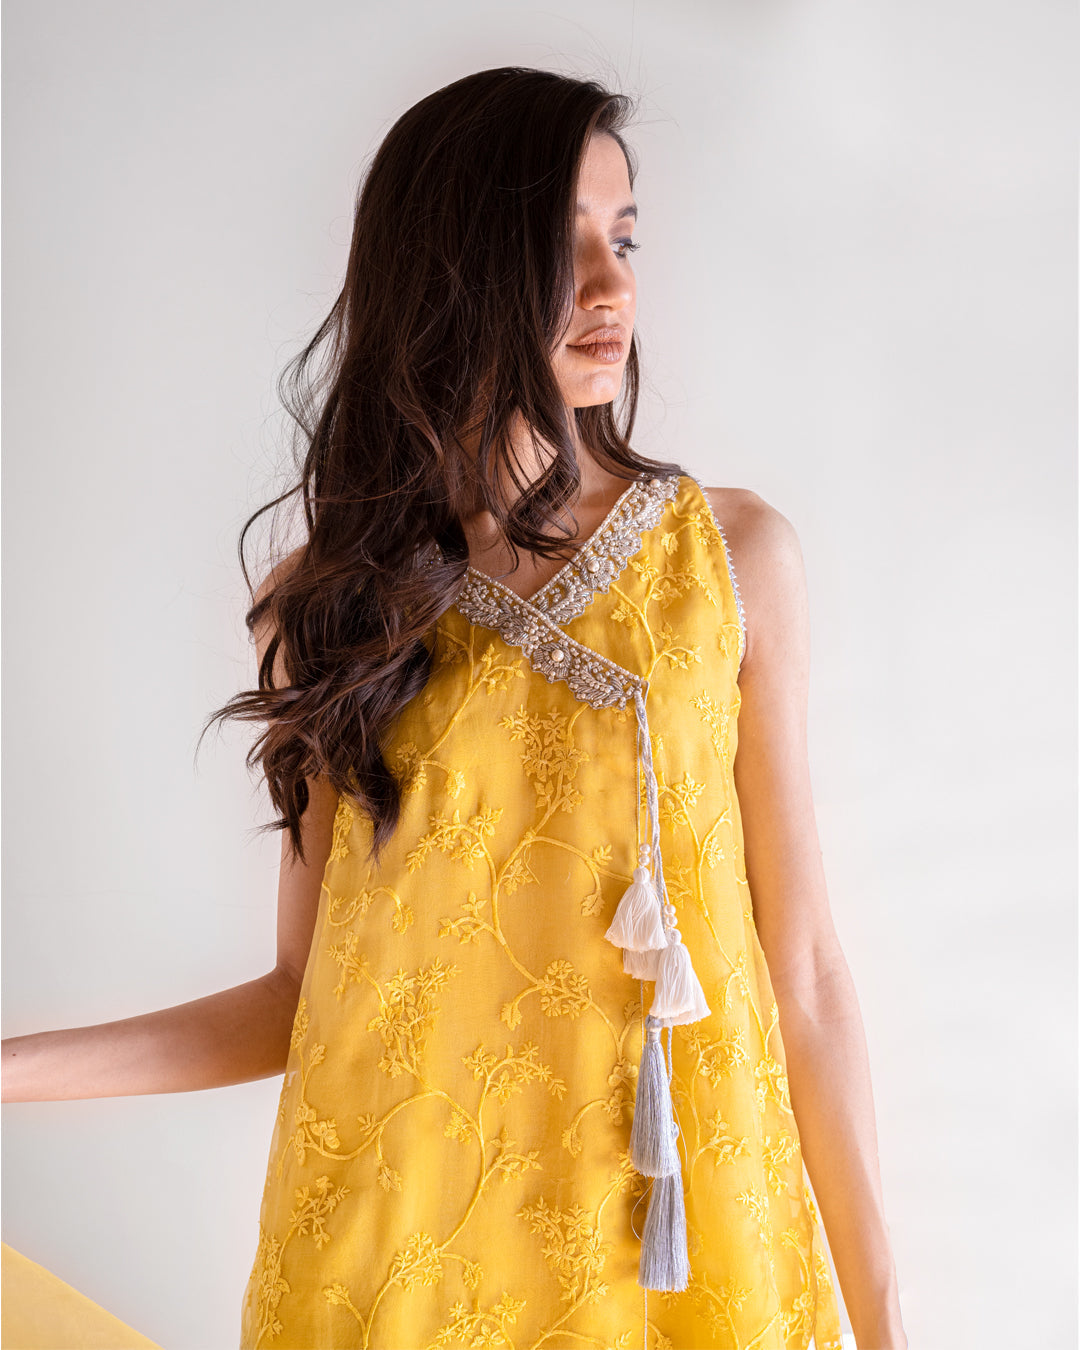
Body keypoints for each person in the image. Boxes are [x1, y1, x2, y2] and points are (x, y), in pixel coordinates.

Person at [1, 66, 907, 1350]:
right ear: (452, 268)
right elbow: (299, 995)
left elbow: (802, 973)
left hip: (677, 1262)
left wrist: (888, 1322)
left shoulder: (727, 560)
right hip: (399, 1266)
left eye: (625, 237)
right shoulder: (330, 606)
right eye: (561, 244)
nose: (611, 286)